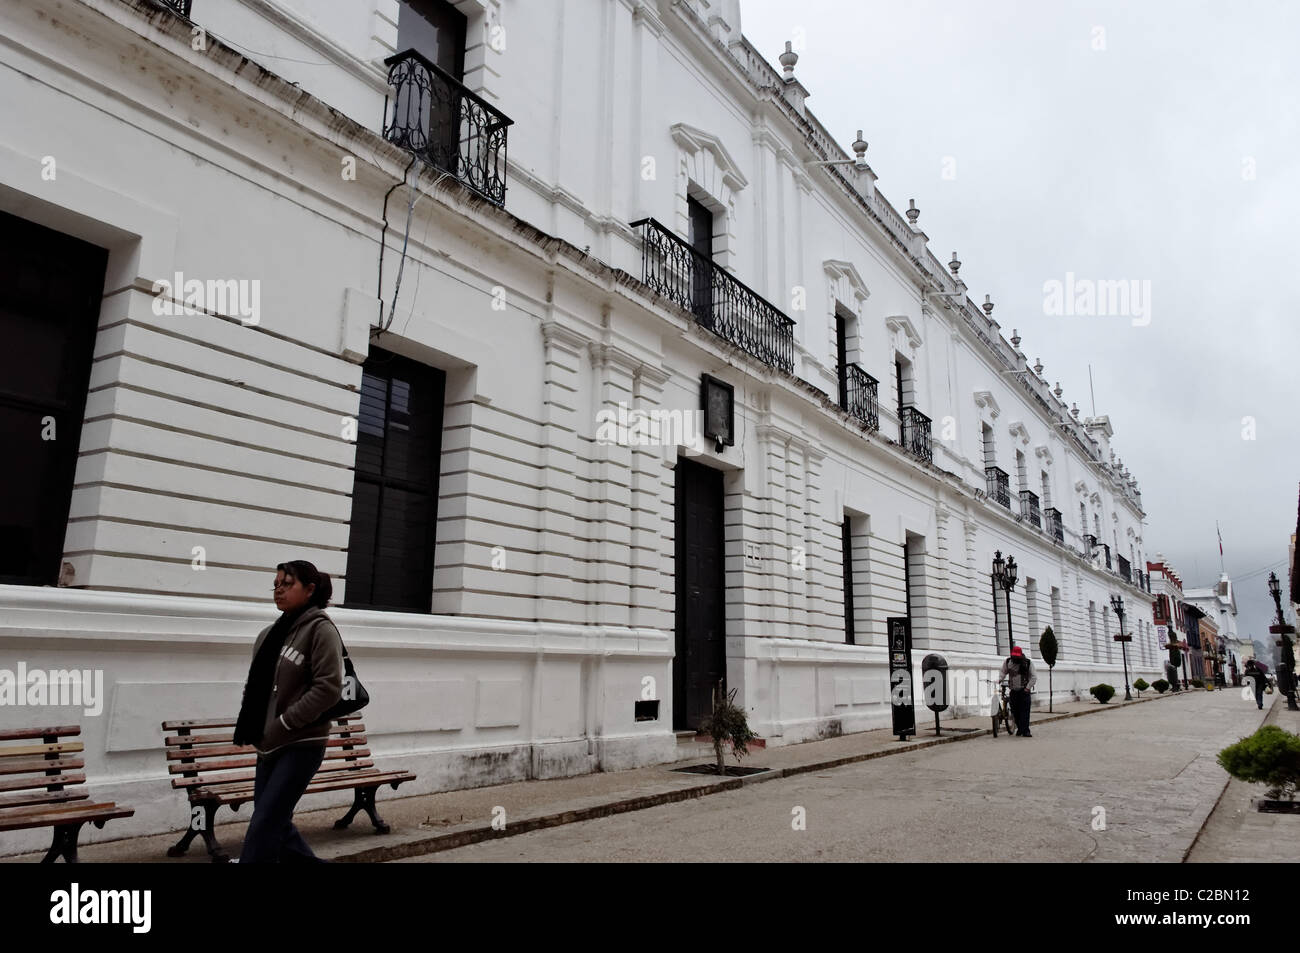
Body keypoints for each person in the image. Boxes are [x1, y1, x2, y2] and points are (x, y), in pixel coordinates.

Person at [233, 560, 344, 863]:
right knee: (275, 824)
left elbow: (328, 688)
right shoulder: (268, 635)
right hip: (268, 745)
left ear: (310, 590)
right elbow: (254, 686)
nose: (279, 590)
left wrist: (283, 723)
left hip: (302, 744)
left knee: (264, 825)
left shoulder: (321, 630)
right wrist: (256, 726)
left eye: (287, 584)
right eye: (276, 584)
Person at [998, 645, 1037, 737]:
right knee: (1015, 711)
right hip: (1014, 691)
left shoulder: (1027, 663)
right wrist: (1000, 679)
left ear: (1020, 655)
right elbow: (1003, 672)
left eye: (1017, 656)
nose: (1015, 658)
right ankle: (1020, 728)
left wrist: (1028, 687)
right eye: (1013, 656)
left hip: (1024, 691)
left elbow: (1033, 677)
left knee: (1025, 712)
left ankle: (1026, 730)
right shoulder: (1008, 662)